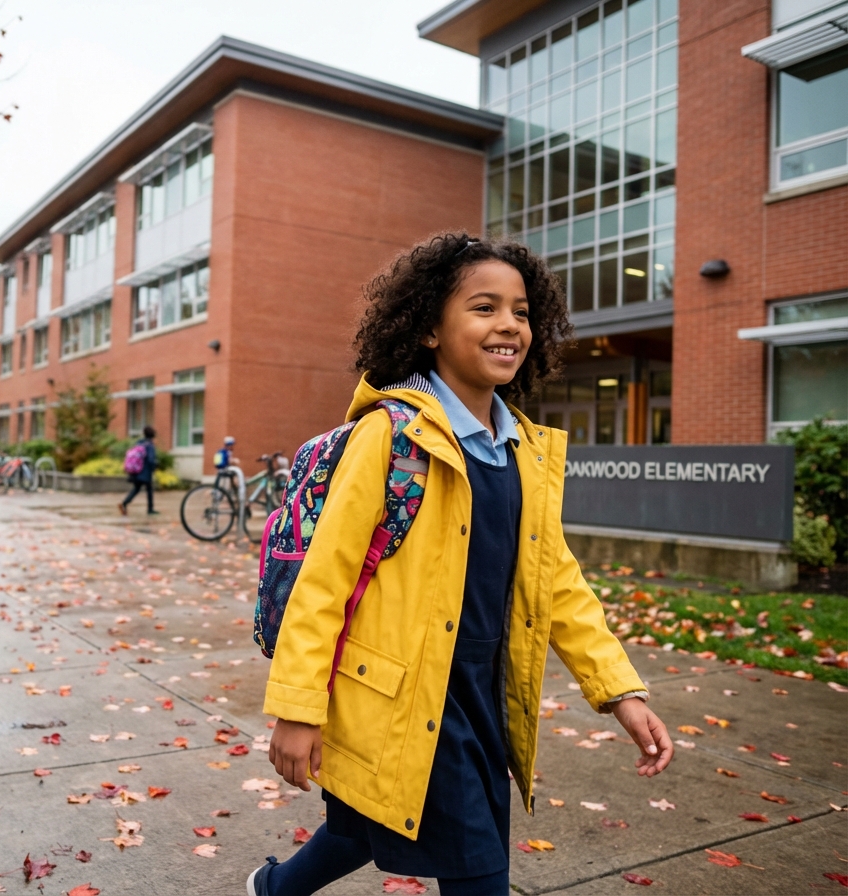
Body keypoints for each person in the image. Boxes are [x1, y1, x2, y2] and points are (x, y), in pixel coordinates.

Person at [249, 233, 671, 896]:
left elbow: (556, 580)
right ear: (427, 331)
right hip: (413, 696)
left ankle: (271, 890)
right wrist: (299, 708)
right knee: (477, 869)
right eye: (484, 307)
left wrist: (620, 689)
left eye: (522, 311)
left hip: (483, 692)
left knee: (362, 825)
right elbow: (324, 582)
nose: (509, 324)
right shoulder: (388, 437)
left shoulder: (523, 451)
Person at [118, 426, 158, 516]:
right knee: (149, 490)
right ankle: (150, 509)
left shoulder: (139, 443)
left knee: (136, 489)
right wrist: (155, 466)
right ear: (153, 436)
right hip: (146, 472)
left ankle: (125, 503)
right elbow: (151, 460)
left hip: (136, 471)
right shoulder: (150, 445)